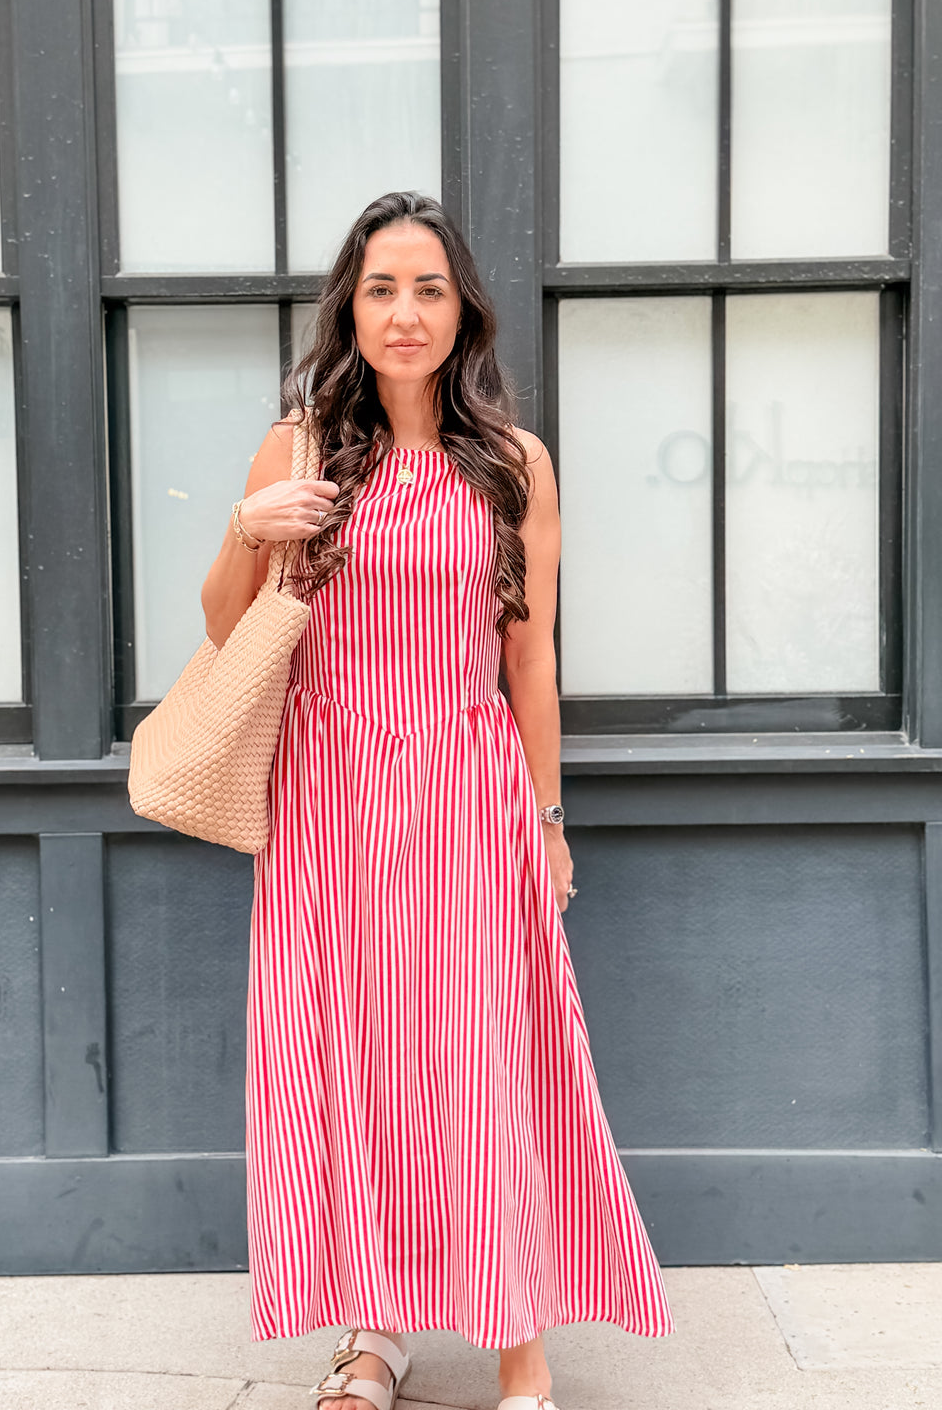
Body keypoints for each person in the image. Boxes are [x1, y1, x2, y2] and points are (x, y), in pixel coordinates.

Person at [200, 191, 674, 1410]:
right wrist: (243, 529)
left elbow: (530, 661)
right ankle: (377, 1335)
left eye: (427, 288)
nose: (403, 312)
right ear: (346, 308)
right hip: (328, 799)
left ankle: (522, 1349)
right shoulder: (297, 448)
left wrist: (549, 822)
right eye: (379, 288)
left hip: (466, 790)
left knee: (477, 1059)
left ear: (462, 308)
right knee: (350, 1061)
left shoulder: (514, 465)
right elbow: (225, 630)